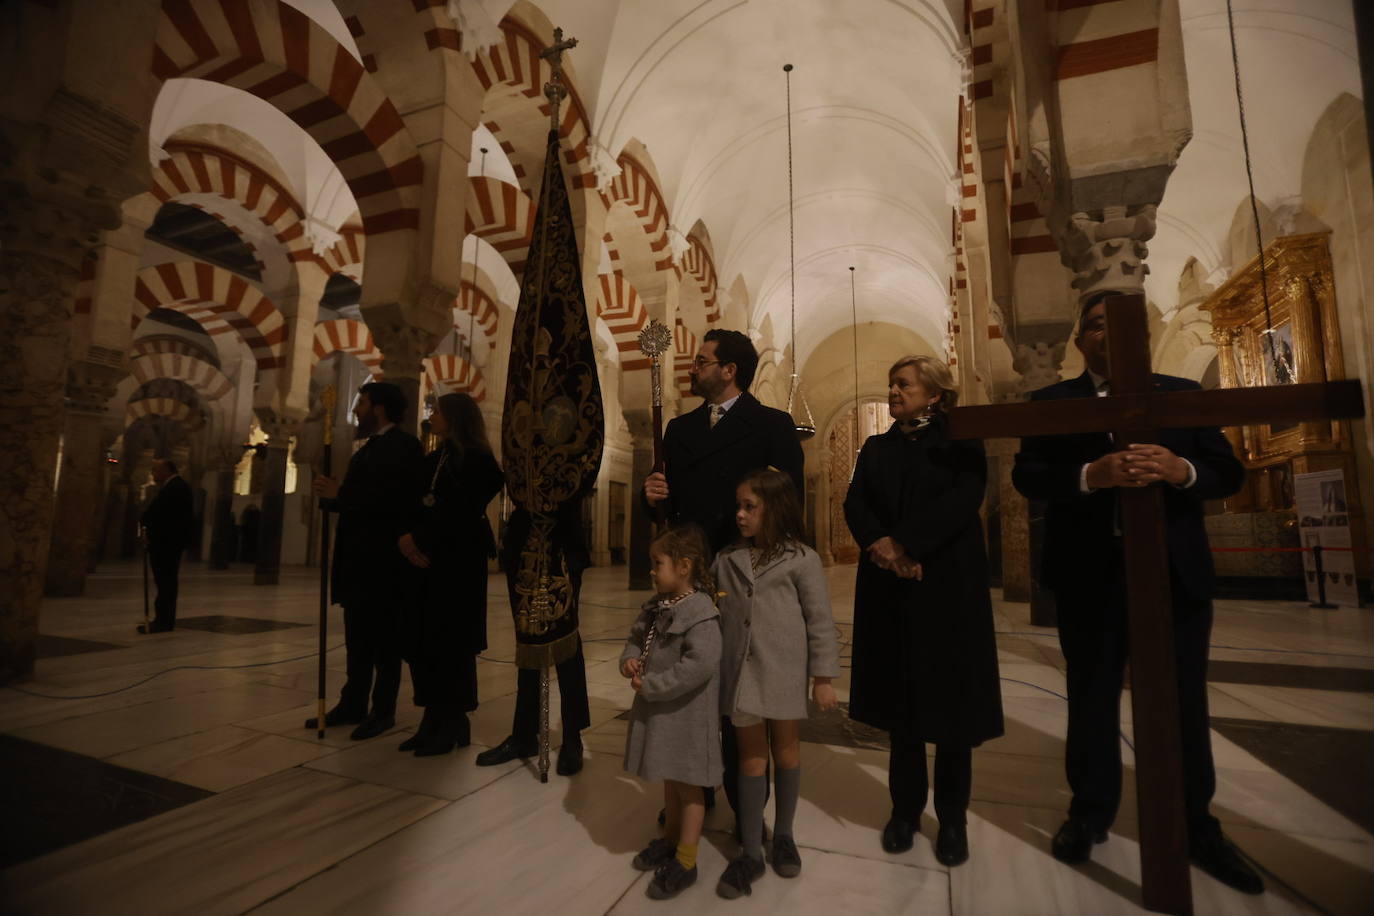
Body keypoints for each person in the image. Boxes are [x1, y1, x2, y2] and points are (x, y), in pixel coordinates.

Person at [1012, 295, 1263, 895]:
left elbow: (1227, 471)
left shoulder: (1180, 395)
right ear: (1080, 341)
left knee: (1183, 703)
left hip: (1174, 575)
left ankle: (1196, 825)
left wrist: (1181, 470)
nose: (1109, 334)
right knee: (1091, 699)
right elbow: (1028, 475)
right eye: (1096, 325)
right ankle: (1089, 812)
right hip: (1090, 578)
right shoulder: (1053, 403)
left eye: (1122, 324)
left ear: (1145, 336)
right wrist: (1090, 475)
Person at [843, 355, 1003, 866]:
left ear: (934, 394)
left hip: (947, 586)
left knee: (953, 711)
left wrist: (907, 543)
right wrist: (881, 544)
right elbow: (855, 504)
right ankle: (904, 812)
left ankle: (952, 819)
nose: (894, 391)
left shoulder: (961, 440)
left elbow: (963, 500)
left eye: (904, 384)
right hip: (890, 586)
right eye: (891, 384)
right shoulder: (876, 447)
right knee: (902, 707)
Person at [642, 328, 804, 830]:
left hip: (743, 570)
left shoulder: (772, 425)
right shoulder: (679, 429)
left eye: (701, 361)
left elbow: (789, 500)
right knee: (691, 687)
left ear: (729, 370)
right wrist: (652, 496)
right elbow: (667, 506)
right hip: (691, 571)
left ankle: (745, 803)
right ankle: (694, 787)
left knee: (738, 690)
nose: (692, 368)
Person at [711, 467, 840, 899]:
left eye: (750, 507)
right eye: (738, 506)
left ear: (776, 508)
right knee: (750, 759)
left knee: (785, 752)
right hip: (742, 677)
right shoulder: (727, 558)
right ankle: (751, 850)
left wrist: (823, 677)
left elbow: (819, 621)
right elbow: (711, 611)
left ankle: (783, 834)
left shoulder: (802, 559)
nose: (740, 514)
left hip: (783, 672)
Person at [310, 382, 424, 742]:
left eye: (361, 403)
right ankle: (353, 702)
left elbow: (394, 502)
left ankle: (383, 710)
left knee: (385, 643)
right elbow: (358, 500)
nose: (356, 410)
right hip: (357, 562)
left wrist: (341, 494)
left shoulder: (404, 447)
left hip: (383, 565)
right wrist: (331, 495)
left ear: (379, 407)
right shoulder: (369, 448)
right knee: (358, 640)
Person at [395, 393, 504, 757]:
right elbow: (414, 502)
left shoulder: (478, 460)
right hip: (425, 563)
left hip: (456, 565)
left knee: (452, 643)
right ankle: (432, 717)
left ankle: (453, 718)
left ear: (456, 417)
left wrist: (420, 538)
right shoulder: (435, 457)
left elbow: (461, 510)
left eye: (438, 411)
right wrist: (406, 538)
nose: (432, 416)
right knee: (424, 641)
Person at [620, 524, 722, 900]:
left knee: (690, 787)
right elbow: (635, 639)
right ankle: (671, 838)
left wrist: (654, 685)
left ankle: (687, 859)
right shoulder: (656, 605)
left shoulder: (701, 614)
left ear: (683, 566)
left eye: (657, 563)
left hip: (688, 718)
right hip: (664, 715)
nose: (651, 570)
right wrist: (630, 660)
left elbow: (699, 667)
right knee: (670, 778)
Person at [474, 498, 594, 775]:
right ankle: (524, 734)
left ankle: (572, 736)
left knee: (566, 639)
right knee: (527, 636)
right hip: (524, 538)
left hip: (561, 538)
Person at [137, 458, 195, 634]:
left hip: (166, 544)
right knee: (165, 583)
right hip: (166, 543)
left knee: (166, 583)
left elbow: (166, 517)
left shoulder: (176, 488)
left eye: (155, 470)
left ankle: (163, 622)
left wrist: (151, 528)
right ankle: (163, 620)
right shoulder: (174, 487)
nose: (152, 473)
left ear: (166, 470)